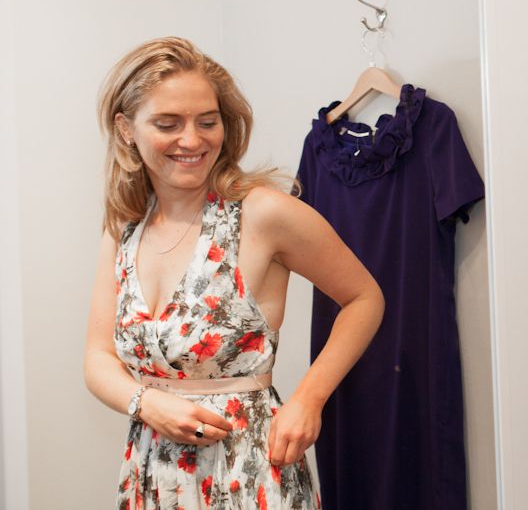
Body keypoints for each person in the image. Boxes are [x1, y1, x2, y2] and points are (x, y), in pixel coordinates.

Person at [84, 37, 384, 508]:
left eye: (208, 122)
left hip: (248, 470)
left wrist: (309, 399)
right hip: (152, 471)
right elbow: (98, 358)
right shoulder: (124, 228)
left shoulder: (262, 213)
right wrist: (147, 403)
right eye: (168, 124)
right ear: (126, 129)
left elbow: (364, 298)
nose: (192, 140)